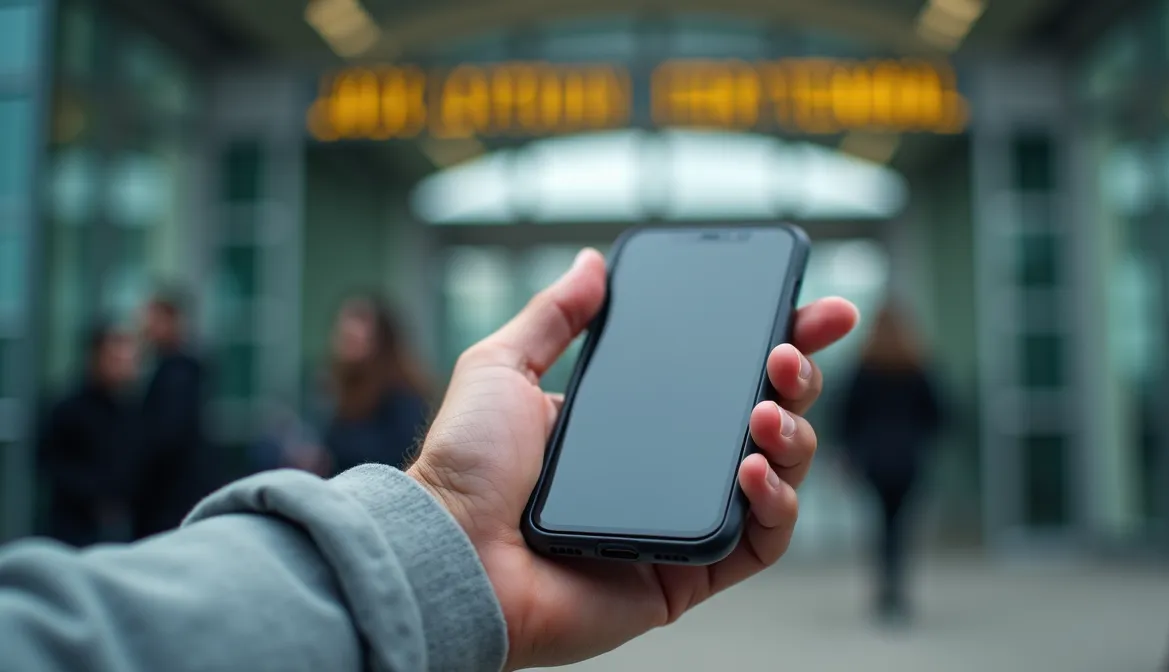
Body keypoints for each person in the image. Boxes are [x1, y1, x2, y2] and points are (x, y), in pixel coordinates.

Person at [0, 249, 857, 670]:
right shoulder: (330, 387)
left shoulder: (404, 393)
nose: (346, 337)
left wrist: (445, 521)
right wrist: (443, 529)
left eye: (357, 327)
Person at [839, 301, 943, 623]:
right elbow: (939, 413)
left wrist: (850, 452)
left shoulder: (864, 367)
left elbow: (845, 415)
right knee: (899, 528)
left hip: (874, 460)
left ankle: (885, 592)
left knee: (882, 527)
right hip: (908, 460)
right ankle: (897, 591)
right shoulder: (916, 366)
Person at [36, 323, 141, 547]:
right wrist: (95, 496)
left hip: (122, 528)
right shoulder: (68, 408)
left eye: (127, 360)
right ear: (96, 357)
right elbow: (49, 461)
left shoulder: (132, 410)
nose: (124, 366)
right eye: (116, 358)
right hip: (73, 528)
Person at [322, 294, 432, 474]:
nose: (348, 328)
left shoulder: (402, 394)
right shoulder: (345, 387)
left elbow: (398, 459)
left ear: (381, 336)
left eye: (359, 321)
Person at [135, 289, 209, 539]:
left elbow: (167, 437)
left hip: (170, 496)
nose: (145, 327)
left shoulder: (178, 373)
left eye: (153, 320)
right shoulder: (168, 368)